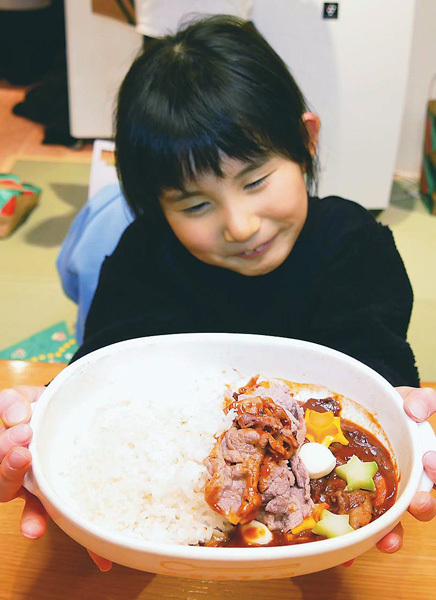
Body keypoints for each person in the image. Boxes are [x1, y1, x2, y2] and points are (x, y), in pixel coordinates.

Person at [1, 16, 435, 573]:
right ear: (156, 206)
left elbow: (374, 372)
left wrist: (405, 413)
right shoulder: (143, 257)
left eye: (255, 181)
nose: (240, 224)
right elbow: (106, 369)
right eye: (195, 204)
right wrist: (46, 422)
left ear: (306, 140)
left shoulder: (357, 248)